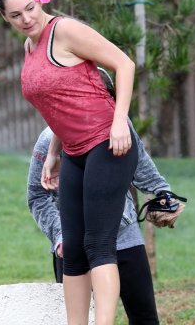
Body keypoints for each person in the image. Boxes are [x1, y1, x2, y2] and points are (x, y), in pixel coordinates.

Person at [0, 0, 137, 325]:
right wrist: (56, 151)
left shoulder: (65, 30)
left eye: (30, 8)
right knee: (72, 249)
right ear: (5, 17)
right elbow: (59, 102)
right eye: (16, 15)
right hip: (74, 152)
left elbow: (124, 63)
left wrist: (120, 121)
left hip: (108, 144)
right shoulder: (30, 47)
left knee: (98, 245)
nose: (26, 18)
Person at [28, 120, 173, 324]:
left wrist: (163, 192)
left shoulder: (121, 125)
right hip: (73, 245)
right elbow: (37, 197)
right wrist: (61, 236)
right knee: (76, 317)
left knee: (145, 318)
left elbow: (140, 163)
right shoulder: (48, 141)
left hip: (124, 237)